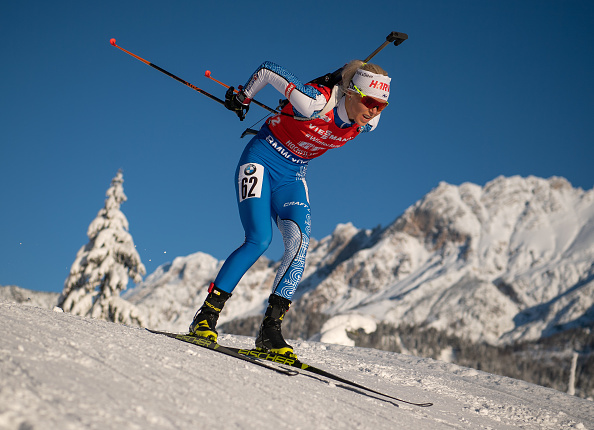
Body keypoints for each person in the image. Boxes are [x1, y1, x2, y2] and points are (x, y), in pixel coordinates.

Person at [189, 59, 391, 357]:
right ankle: (205, 317)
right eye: (371, 102)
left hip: (292, 176)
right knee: (259, 239)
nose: (374, 111)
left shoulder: (368, 122)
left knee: (298, 245)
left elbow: (363, 96)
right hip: (260, 160)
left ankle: (270, 331)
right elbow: (269, 70)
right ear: (352, 93)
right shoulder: (314, 101)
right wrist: (244, 96)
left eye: (382, 106)